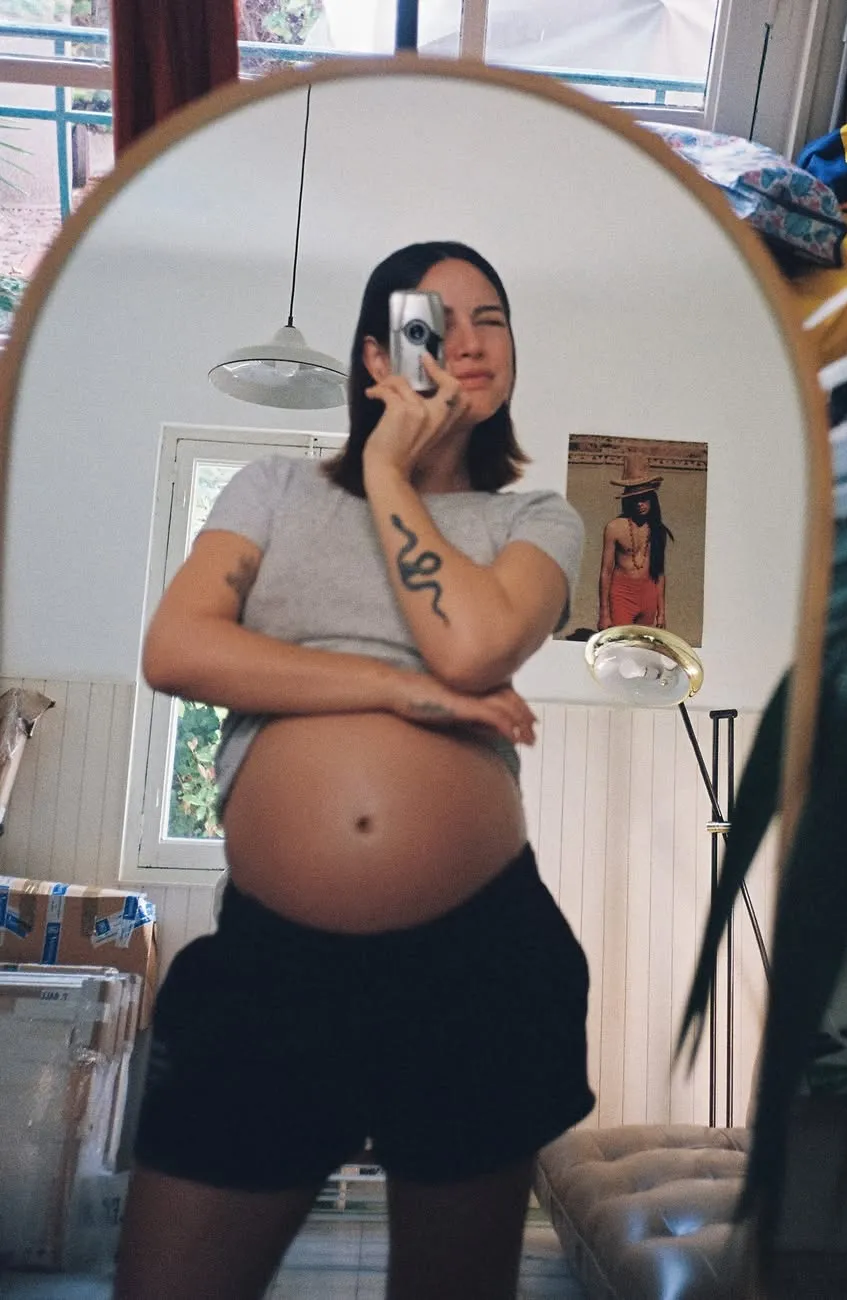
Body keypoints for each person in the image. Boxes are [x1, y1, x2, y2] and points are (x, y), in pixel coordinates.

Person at [113, 241, 594, 1300]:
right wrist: (393, 690)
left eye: (492, 319)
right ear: (380, 355)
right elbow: (178, 649)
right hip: (272, 966)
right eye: (435, 322)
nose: (469, 342)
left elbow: (472, 648)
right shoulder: (275, 489)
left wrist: (386, 473)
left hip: (480, 965)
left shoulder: (535, 518)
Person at [597, 451, 675, 630]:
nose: (640, 504)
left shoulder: (657, 529)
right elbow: (605, 572)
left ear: (652, 499)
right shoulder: (614, 528)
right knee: (622, 642)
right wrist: (604, 613)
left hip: (649, 595)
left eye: (644, 498)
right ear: (628, 500)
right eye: (635, 499)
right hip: (622, 595)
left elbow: (659, 573)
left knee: (641, 644)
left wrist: (661, 612)